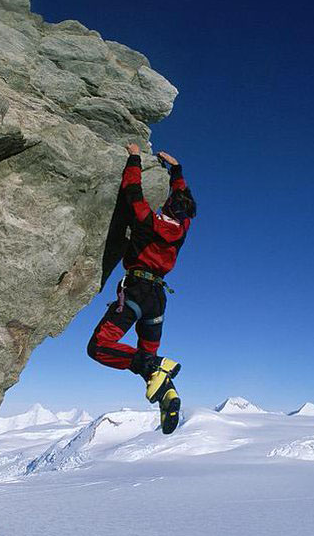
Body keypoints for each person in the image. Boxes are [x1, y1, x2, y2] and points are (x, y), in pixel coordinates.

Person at [87, 143, 196, 434]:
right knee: (146, 363)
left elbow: (132, 191)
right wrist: (177, 170)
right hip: (158, 299)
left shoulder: (150, 221)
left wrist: (134, 156)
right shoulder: (183, 228)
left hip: (136, 290)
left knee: (99, 347)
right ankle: (167, 394)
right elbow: (182, 197)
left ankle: (157, 364)